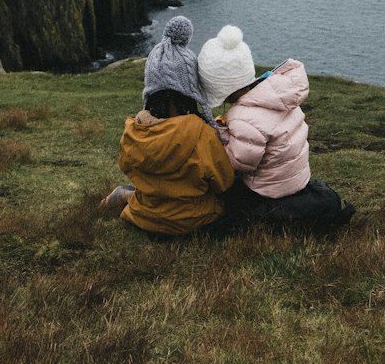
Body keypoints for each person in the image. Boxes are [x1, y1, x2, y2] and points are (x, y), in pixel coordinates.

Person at [196, 24, 355, 231]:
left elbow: (240, 162)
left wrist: (220, 138)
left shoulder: (244, 117)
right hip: (294, 179)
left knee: (230, 203)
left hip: (269, 190)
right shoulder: (275, 94)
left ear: (222, 89)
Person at [105, 16, 235, 238]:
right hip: (194, 221)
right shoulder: (200, 133)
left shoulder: (132, 132)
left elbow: (128, 169)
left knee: (138, 190)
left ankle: (119, 199)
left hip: (144, 217)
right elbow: (223, 182)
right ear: (191, 89)